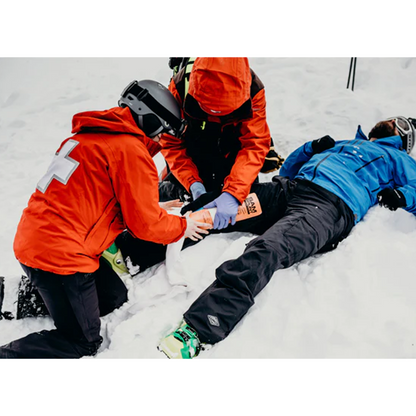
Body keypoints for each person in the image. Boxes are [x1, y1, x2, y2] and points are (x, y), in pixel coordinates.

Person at [157, 116, 416, 358]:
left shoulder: (399, 159)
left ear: (405, 139)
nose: (390, 121)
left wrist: (402, 196)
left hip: (328, 206)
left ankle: (200, 328)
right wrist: (309, 149)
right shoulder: (346, 143)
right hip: (289, 189)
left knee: (268, 248)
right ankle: (139, 250)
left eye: (399, 123)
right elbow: (288, 169)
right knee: (211, 208)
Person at [0, 79, 209, 359]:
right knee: (82, 342)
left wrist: (151, 204)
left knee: (111, 296)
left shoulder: (88, 137)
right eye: (162, 131)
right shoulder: (130, 151)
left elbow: (88, 195)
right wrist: (184, 226)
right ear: (149, 120)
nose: (161, 140)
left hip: (39, 240)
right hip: (61, 259)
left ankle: (17, 294)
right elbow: (145, 226)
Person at [160, 57, 285, 230]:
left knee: (247, 198)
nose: (215, 117)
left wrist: (233, 193)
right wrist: (192, 182)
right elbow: (171, 144)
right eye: (206, 109)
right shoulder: (180, 87)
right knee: (183, 194)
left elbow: (254, 144)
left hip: (232, 148)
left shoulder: (253, 90)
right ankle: (163, 186)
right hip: (193, 146)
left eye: (224, 112)